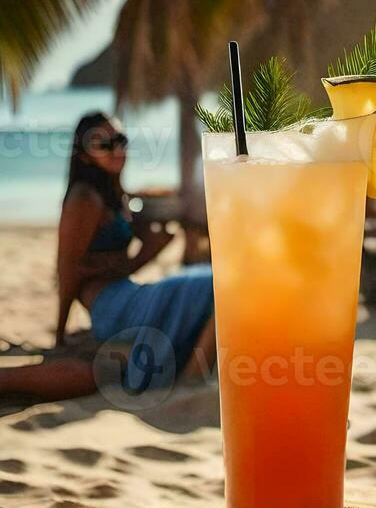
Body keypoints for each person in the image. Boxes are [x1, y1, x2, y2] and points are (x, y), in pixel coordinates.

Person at [0, 113, 216, 402]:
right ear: (85, 154)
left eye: (120, 140)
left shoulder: (114, 194)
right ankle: (192, 379)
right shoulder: (85, 199)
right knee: (217, 285)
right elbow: (67, 269)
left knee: (214, 283)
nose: (115, 149)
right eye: (102, 144)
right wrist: (60, 334)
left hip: (126, 295)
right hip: (110, 306)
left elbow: (137, 235)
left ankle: (195, 374)